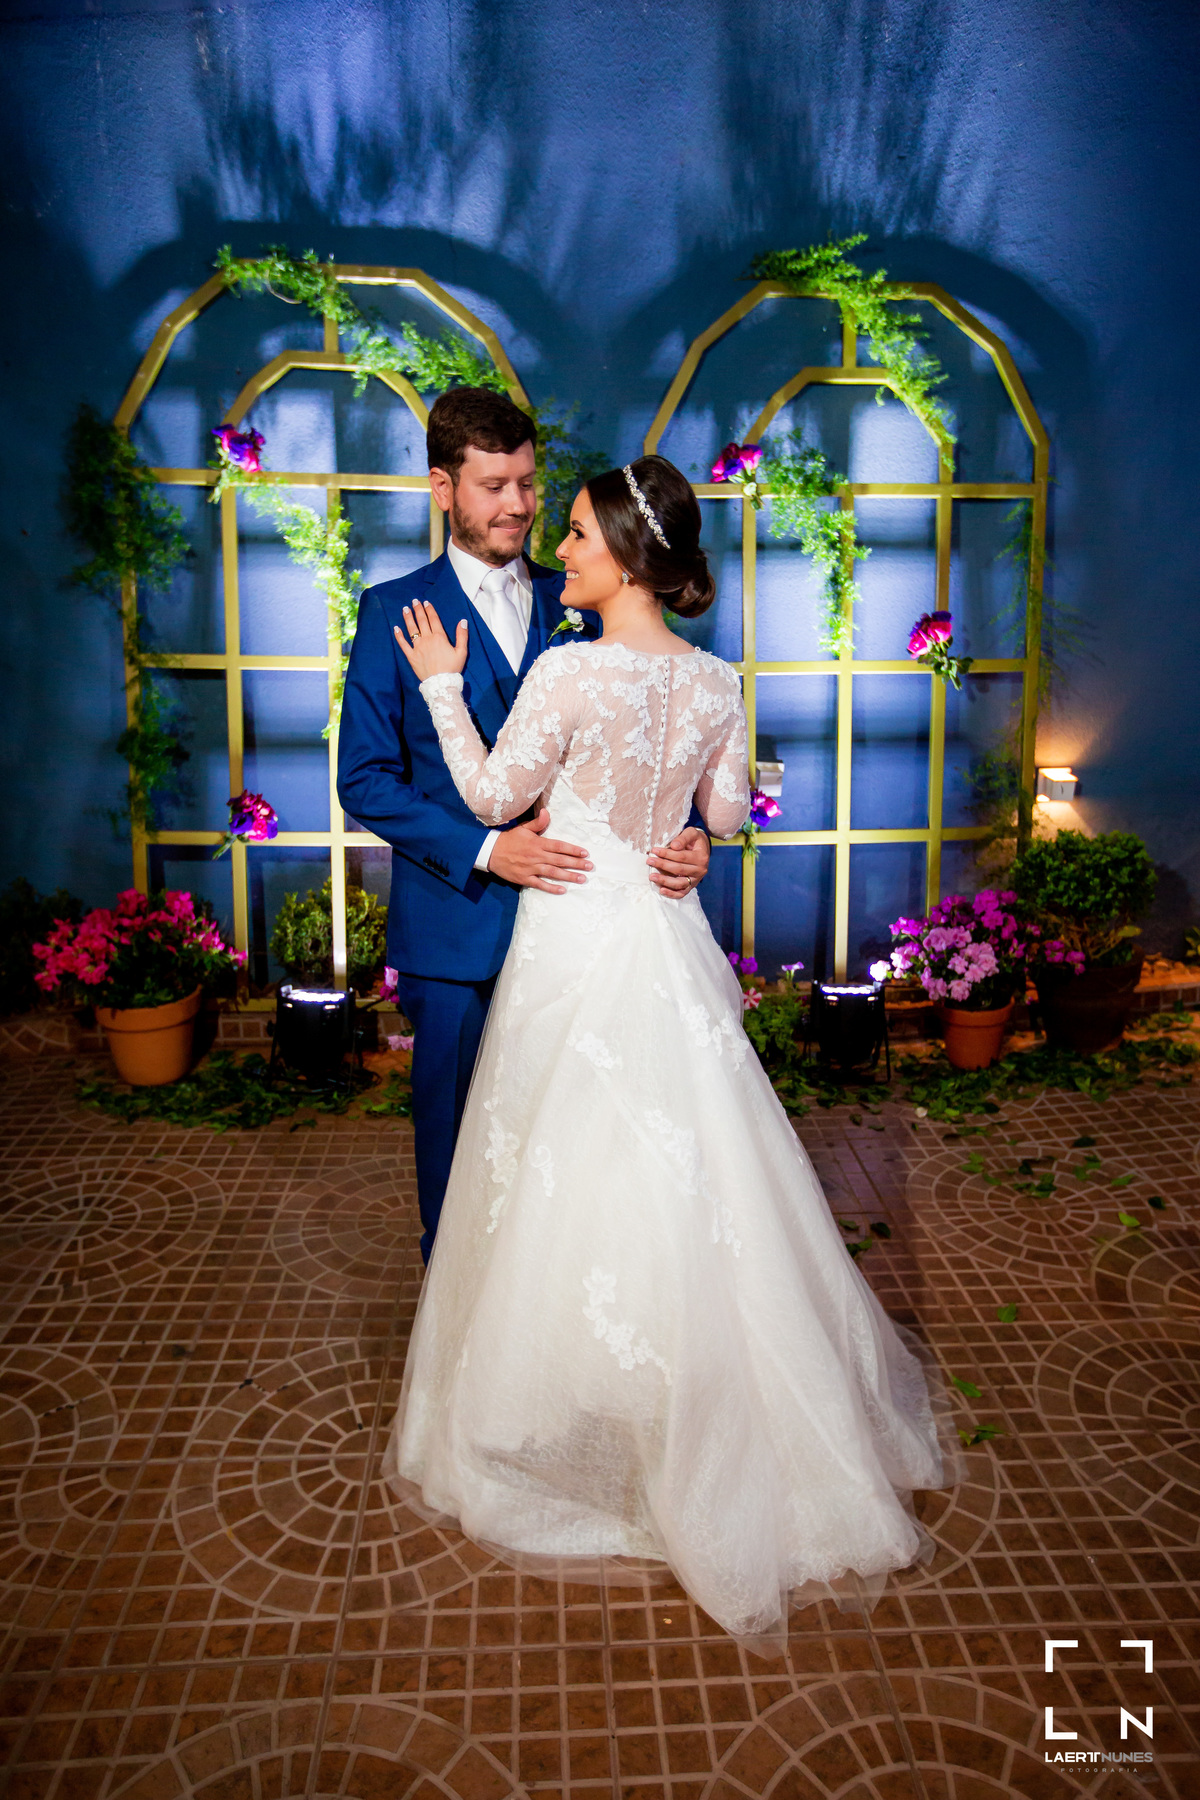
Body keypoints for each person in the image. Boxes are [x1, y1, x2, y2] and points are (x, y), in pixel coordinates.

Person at [381, 453, 950, 1651]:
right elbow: (731, 813)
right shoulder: (716, 679)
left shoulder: (566, 670)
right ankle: (675, 1390)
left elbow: (487, 798)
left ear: (627, 556)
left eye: (578, 535)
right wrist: (690, 834)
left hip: (573, 941)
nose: (560, 549)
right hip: (660, 931)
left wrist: (440, 687)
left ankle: (578, 1402)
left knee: (568, 1167)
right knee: (684, 1168)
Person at [337, 390, 711, 1262]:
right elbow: (365, 780)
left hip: (586, 935)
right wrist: (485, 850)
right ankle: (455, 1308)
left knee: (589, 1154)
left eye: (529, 483)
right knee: (458, 1149)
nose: (519, 505)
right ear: (443, 488)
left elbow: (654, 728)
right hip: (456, 935)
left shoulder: (582, 588)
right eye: (494, 486)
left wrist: (692, 832)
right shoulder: (393, 610)